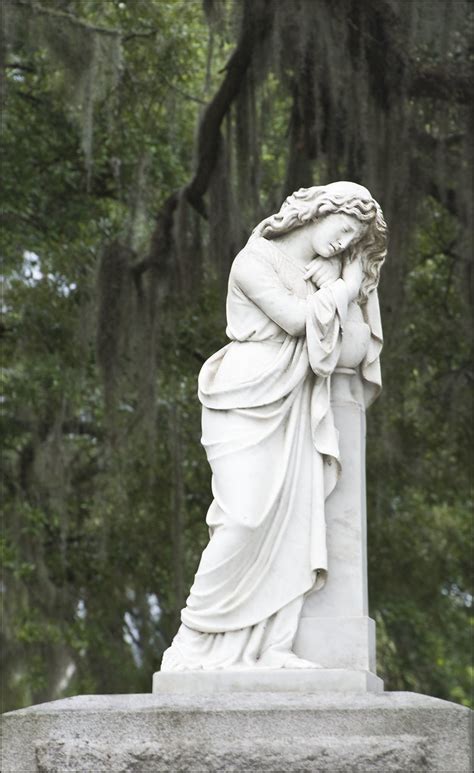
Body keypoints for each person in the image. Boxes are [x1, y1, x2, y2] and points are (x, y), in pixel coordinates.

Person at [161, 181, 387, 671]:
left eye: (353, 241)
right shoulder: (255, 260)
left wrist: (346, 286)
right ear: (317, 212)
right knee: (242, 517)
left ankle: (274, 647)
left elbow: (352, 345)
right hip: (245, 394)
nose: (344, 243)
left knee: (294, 522)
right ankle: (195, 637)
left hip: (297, 399)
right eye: (344, 228)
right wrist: (343, 287)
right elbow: (294, 320)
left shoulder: (324, 271)